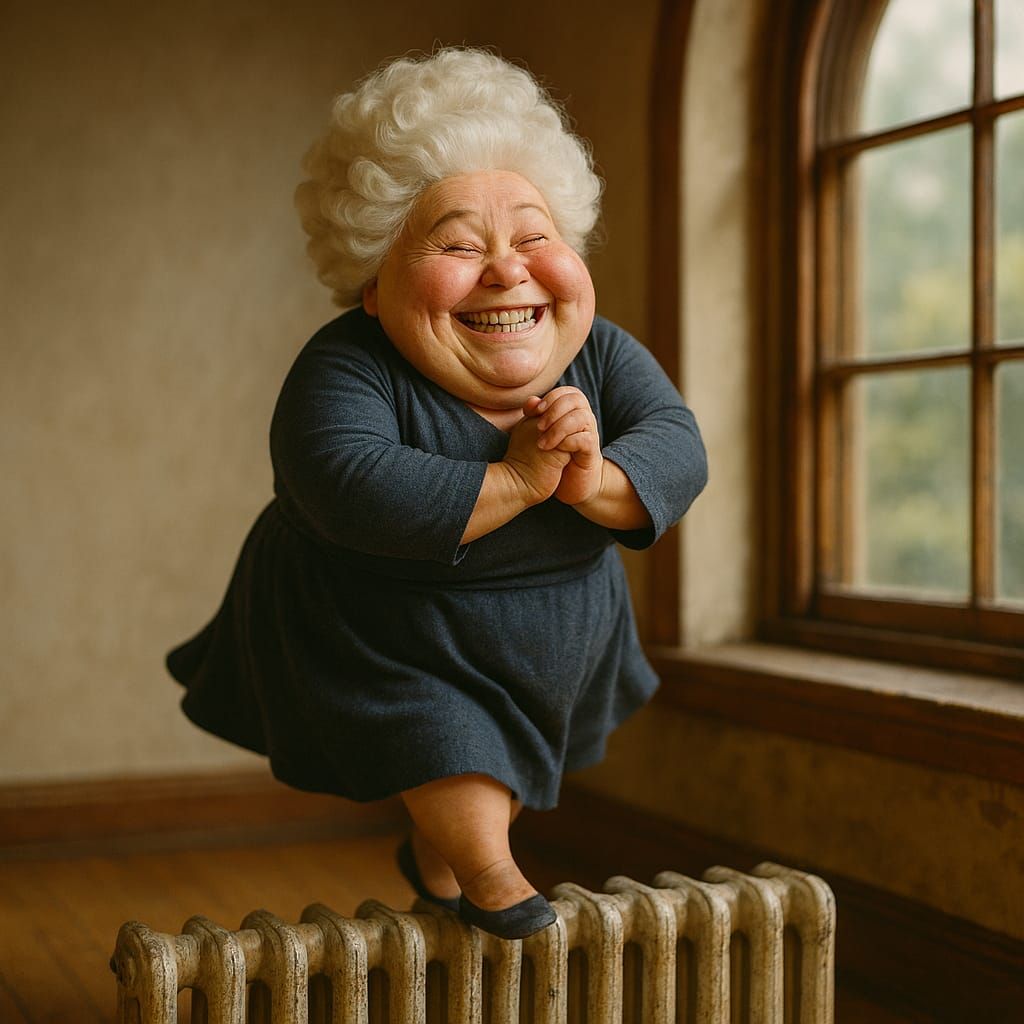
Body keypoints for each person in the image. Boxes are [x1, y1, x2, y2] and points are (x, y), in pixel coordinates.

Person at [166, 47, 707, 940]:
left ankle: (442, 857)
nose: (506, 271)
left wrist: (591, 479)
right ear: (373, 287)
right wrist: (519, 477)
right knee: (444, 738)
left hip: (554, 631)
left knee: (510, 759)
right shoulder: (347, 366)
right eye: (458, 245)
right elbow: (344, 481)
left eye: (534, 237)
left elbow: (678, 451)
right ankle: (491, 873)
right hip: (389, 626)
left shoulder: (605, 354)